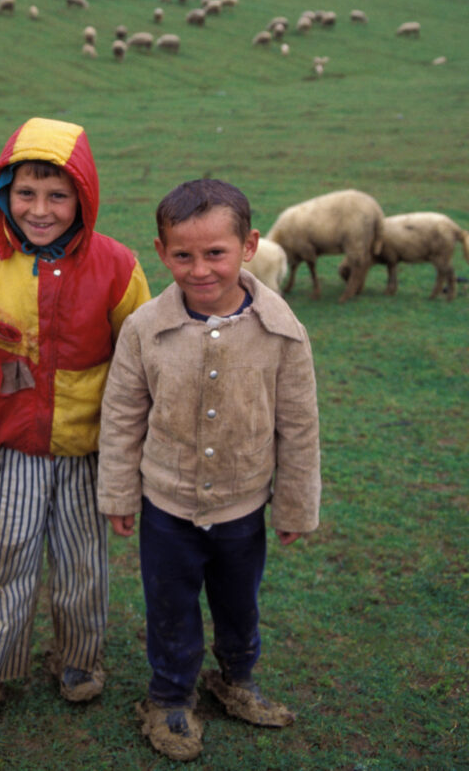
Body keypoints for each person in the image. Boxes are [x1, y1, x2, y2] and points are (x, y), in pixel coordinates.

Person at [0, 117, 150, 728]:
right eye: (26, 194)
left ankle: (79, 661)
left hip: (89, 450)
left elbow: (145, 358)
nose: (40, 210)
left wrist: (136, 447)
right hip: (10, 445)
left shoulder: (118, 266)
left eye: (58, 195)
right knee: (1, 558)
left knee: (82, 562)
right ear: (4, 193)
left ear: (83, 196)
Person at [97, 178, 320, 762]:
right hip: (165, 507)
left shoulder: (282, 329)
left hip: (243, 508)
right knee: (169, 606)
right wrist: (120, 492)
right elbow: (121, 414)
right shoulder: (144, 328)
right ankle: (169, 698)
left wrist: (296, 505)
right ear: (161, 249)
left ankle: (235, 681)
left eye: (215, 253)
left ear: (248, 246)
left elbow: (298, 426)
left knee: (239, 604)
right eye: (183, 255)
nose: (200, 269)